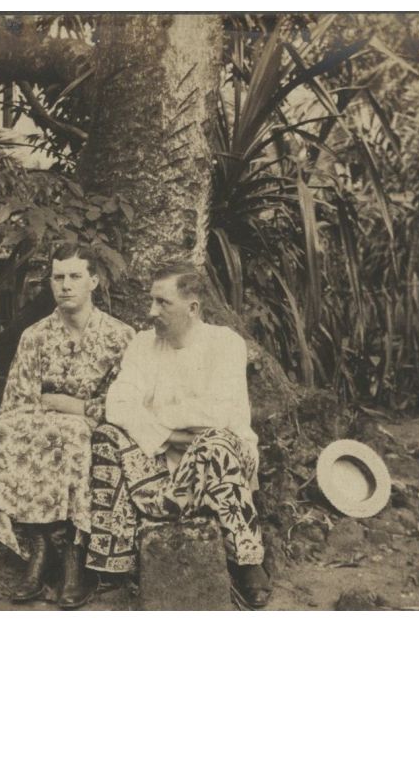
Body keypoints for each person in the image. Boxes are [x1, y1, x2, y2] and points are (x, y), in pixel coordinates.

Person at [86, 261, 272, 609]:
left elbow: (216, 414)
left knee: (215, 441)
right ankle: (114, 564)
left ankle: (247, 560)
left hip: (222, 463)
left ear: (193, 308)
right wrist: (169, 435)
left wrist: (154, 417)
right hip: (157, 465)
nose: (151, 311)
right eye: (152, 300)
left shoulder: (225, 344)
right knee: (108, 435)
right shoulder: (143, 344)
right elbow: (118, 404)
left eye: (162, 303)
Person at [0, 243, 134, 609]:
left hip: (94, 428)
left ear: (93, 281)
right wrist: (50, 413)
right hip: (43, 427)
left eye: (75, 276)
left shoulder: (120, 336)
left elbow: (128, 403)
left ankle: (74, 556)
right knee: (4, 426)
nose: (65, 285)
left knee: (73, 432)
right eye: (58, 277)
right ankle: (40, 546)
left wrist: (76, 407)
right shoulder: (35, 336)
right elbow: (18, 398)